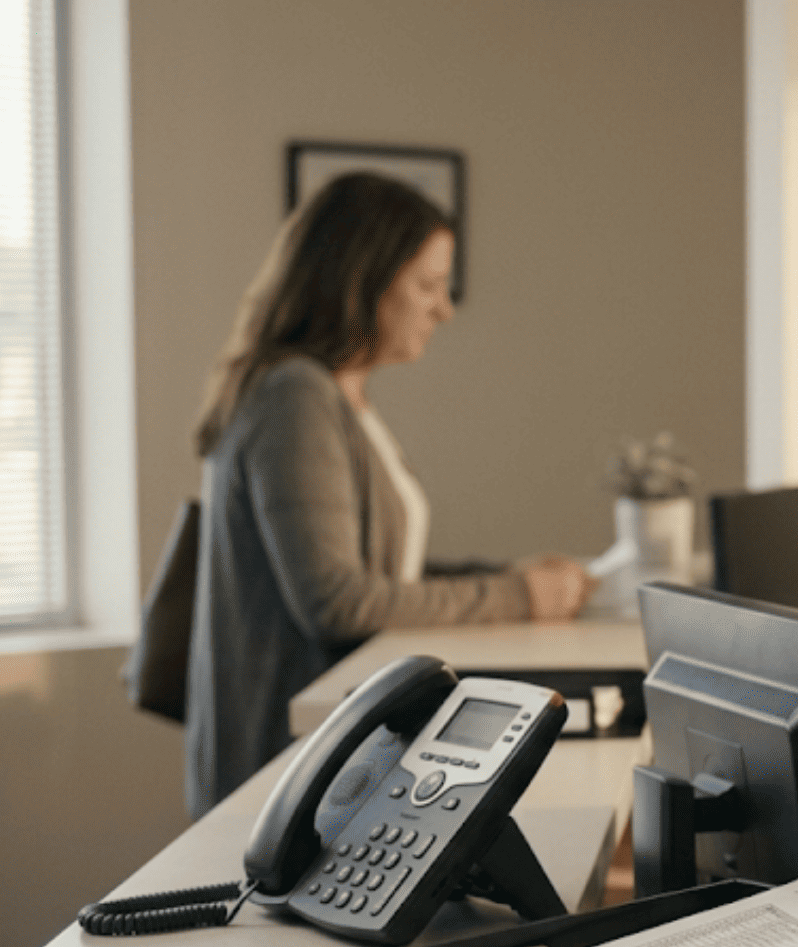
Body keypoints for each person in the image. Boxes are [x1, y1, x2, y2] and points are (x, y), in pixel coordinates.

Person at [184, 172, 593, 818]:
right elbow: (339, 600)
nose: (444, 308)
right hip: (289, 769)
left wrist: (507, 577)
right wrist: (517, 596)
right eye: (428, 285)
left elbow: (380, 572)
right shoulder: (297, 396)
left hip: (333, 755)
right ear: (363, 279)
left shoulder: (340, 395)